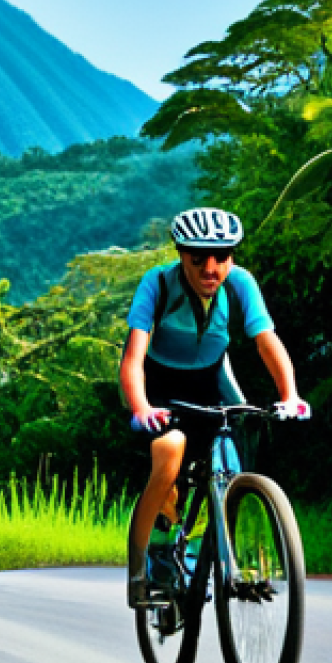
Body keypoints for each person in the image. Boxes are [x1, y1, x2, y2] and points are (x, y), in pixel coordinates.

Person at [119, 207, 310, 608]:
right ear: (180, 254)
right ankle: (146, 562)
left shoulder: (241, 283)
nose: (211, 268)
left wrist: (289, 394)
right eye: (198, 258)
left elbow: (266, 340)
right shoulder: (156, 284)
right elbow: (133, 358)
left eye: (221, 257)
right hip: (160, 391)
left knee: (234, 460)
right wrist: (142, 408)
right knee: (170, 453)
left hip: (212, 382)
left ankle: (223, 558)